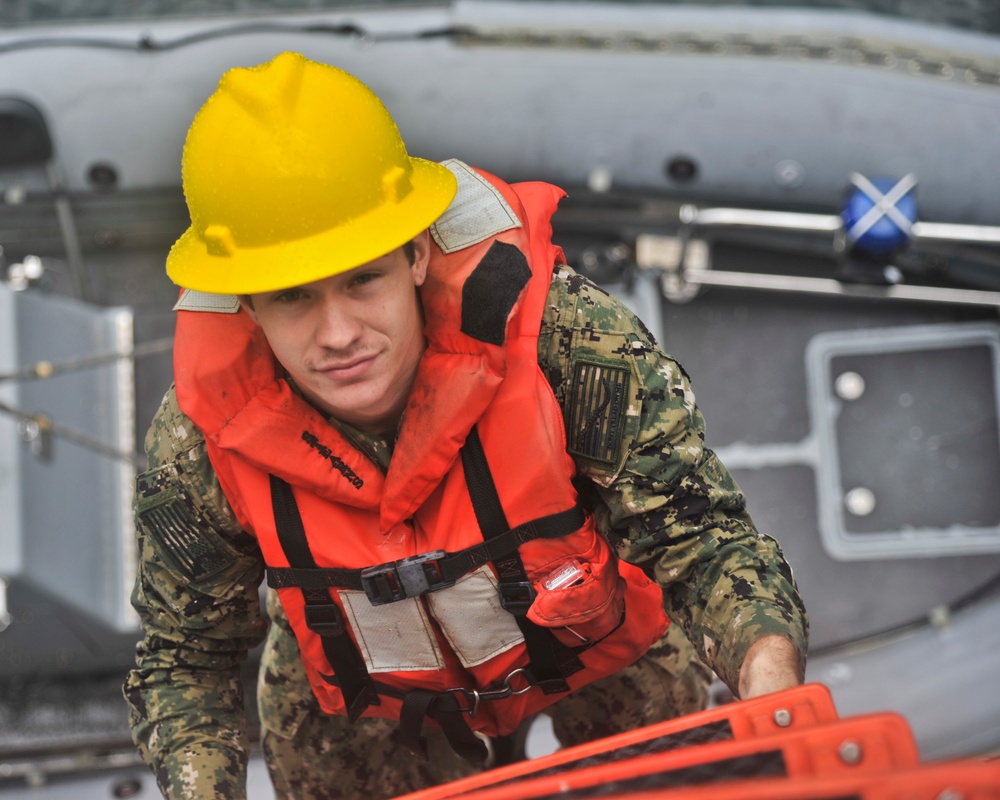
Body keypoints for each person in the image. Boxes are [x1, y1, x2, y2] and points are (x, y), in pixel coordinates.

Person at [124, 51, 808, 800]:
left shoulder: (566, 340)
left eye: (363, 279)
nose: (339, 333)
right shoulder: (197, 445)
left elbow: (700, 539)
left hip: (598, 644)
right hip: (367, 699)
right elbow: (186, 658)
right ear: (247, 306)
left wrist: (768, 678)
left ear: (416, 255)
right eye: (293, 298)